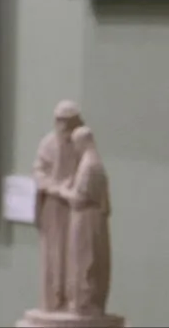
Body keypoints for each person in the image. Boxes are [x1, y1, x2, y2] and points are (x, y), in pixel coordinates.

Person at [31, 100, 85, 312]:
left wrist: (73, 185)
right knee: (53, 253)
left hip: (74, 206)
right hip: (53, 205)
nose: (63, 127)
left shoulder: (80, 146)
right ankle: (53, 299)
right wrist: (54, 187)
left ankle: (72, 300)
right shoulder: (48, 144)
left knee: (74, 253)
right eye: (60, 121)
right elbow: (38, 172)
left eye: (68, 122)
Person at [60, 125, 112, 316]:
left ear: (83, 142)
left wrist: (63, 190)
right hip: (89, 219)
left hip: (86, 220)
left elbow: (79, 199)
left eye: (76, 143)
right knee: (85, 260)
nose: (75, 148)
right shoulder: (92, 163)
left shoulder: (89, 166)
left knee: (85, 260)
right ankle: (82, 302)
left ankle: (84, 303)